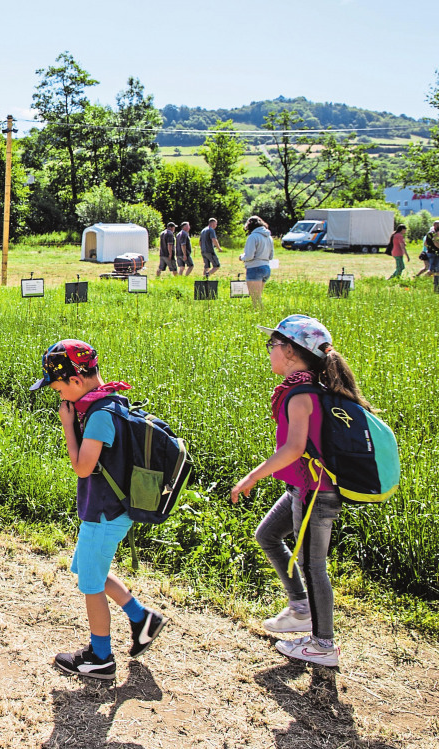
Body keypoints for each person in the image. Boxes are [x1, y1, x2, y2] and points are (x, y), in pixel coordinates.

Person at [230, 315, 364, 667]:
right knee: (268, 535)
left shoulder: (299, 395)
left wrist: (251, 477)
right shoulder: (309, 387)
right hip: (302, 487)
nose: (269, 352)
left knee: (311, 564)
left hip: (315, 493)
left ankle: (323, 644)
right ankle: (301, 608)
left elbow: (292, 448)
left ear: (289, 350)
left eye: (272, 346)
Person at [30, 340, 166, 681]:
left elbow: (82, 467)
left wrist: (67, 426)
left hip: (104, 513)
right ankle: (141, 618)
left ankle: (100, 657)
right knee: (91, 570)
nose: (57, 394)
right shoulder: (107, 402)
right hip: (109, 511)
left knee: (91, 584)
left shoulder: (100, 416)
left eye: (58, 386)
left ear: (76, 381)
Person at [241, 215, 275, 309]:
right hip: (266, 268)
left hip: (254, 268)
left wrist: (241, 257)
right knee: (258, 296)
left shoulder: (253, 237)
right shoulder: (269, 237)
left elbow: (249, 256)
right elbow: (271, 256)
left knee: (255, 299)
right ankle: (260, 313)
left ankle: (260, 314)